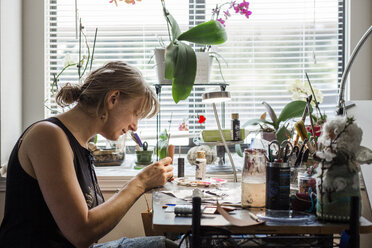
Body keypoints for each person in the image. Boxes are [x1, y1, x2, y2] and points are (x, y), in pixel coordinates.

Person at [0, 61, 176, 248]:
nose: (135, 126)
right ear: (113, 99)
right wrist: (140, 183)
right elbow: (81, 232)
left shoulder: (81, 144)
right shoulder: (48, 136)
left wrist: (143, 183)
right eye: (135, 113)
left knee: (167, 244)